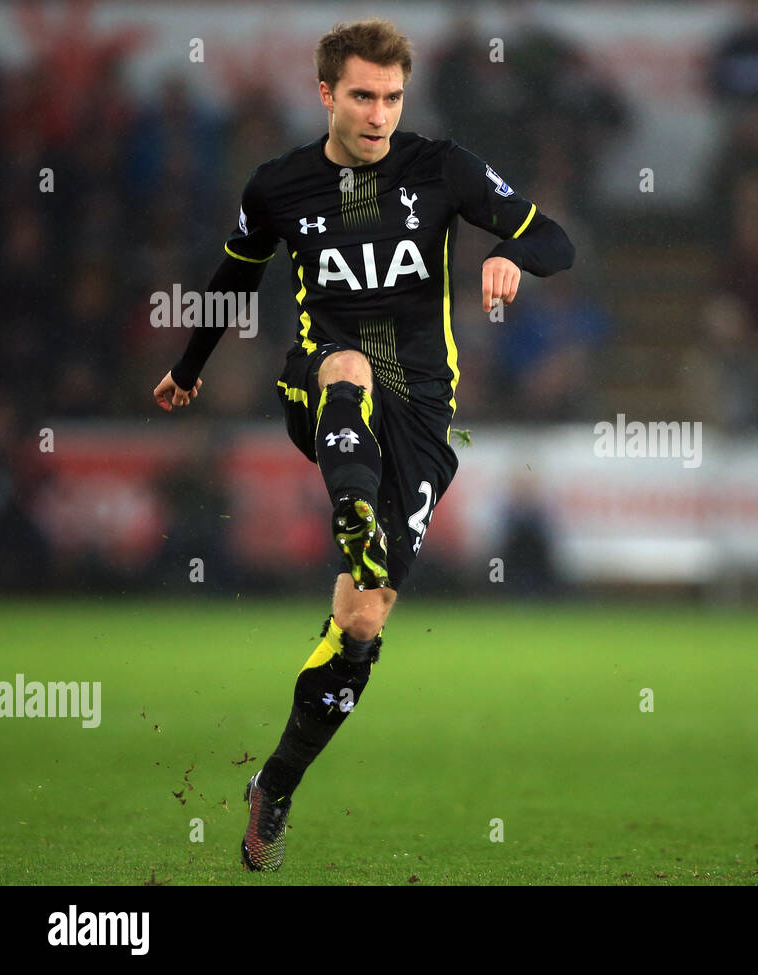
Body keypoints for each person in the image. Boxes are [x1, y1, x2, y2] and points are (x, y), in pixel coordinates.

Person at [151, 18, 574, 871]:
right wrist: (188, 365)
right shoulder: (280, 185)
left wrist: (514, 258)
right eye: (362, 96)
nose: (380, 114)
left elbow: (551, 237)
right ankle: (354, 511)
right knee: (347, 362)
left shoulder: (442, 167)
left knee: (361, 622)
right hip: (322, 388)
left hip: (421, 415)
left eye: (391, 97)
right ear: (326, 96)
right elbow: (236, 275)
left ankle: (275, 783)